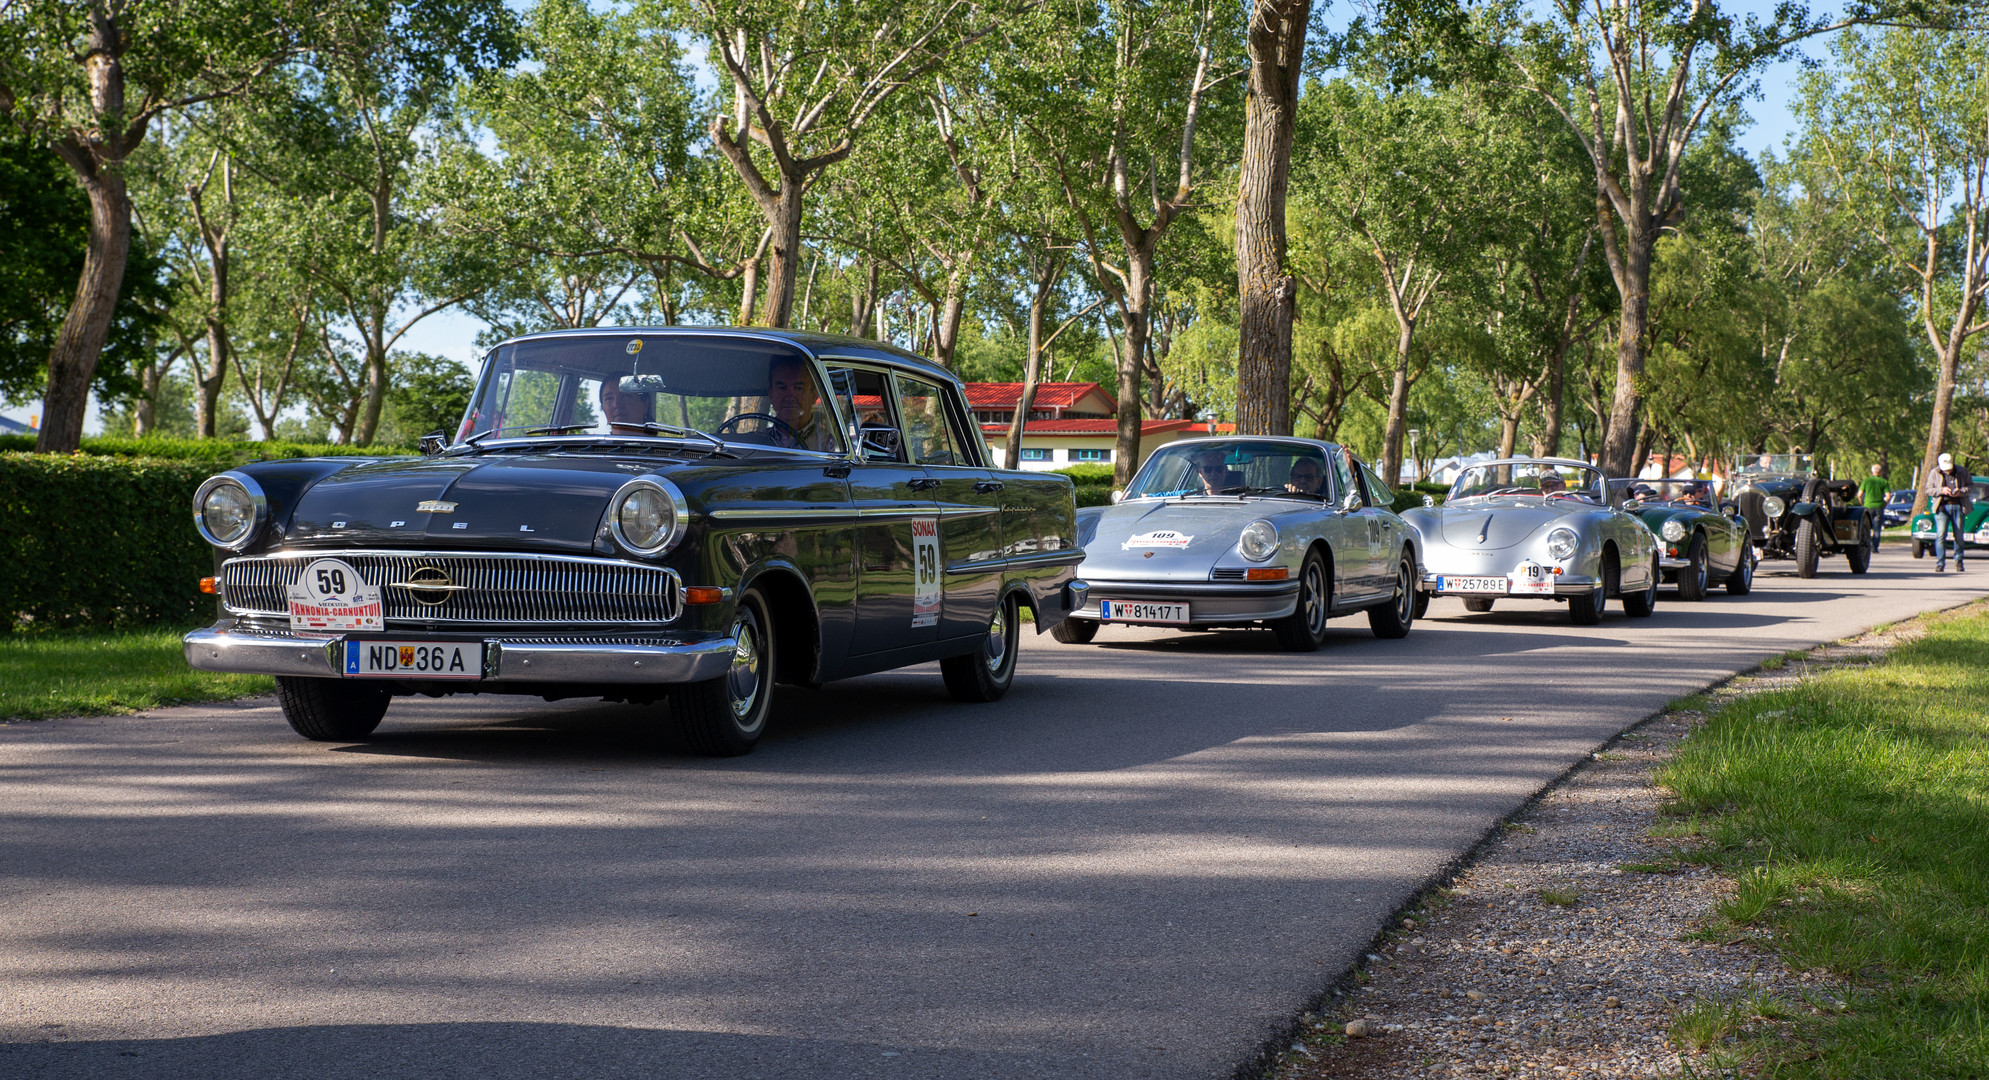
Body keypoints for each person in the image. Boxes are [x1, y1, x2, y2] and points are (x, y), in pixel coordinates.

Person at [1925, 452, 1971, 573]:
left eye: (1949, 469)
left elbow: (1970, 487)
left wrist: (1960, 491)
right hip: (1942, 508)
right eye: (1945, 469)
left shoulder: (1962, 471)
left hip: (1957, 506)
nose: (1948, 471)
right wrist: (1942, 491)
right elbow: (1928, 489)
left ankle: (1959, 560)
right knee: (1940, 535)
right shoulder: (1934, 473)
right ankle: (1940, 563)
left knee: (1959, 536)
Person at [1858, 463, 1891, 549]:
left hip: (1868, 506)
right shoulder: (1884, 482)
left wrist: (1862, 504)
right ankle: (1874, 547)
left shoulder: (1866, 481)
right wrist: (1884, 504)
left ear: (1872, 471)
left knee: (1866, 527)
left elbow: (1859, 495)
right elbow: (1888, 496)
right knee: (1877, 528)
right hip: (1879, 507)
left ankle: (1866, 545)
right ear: (1880, 472)